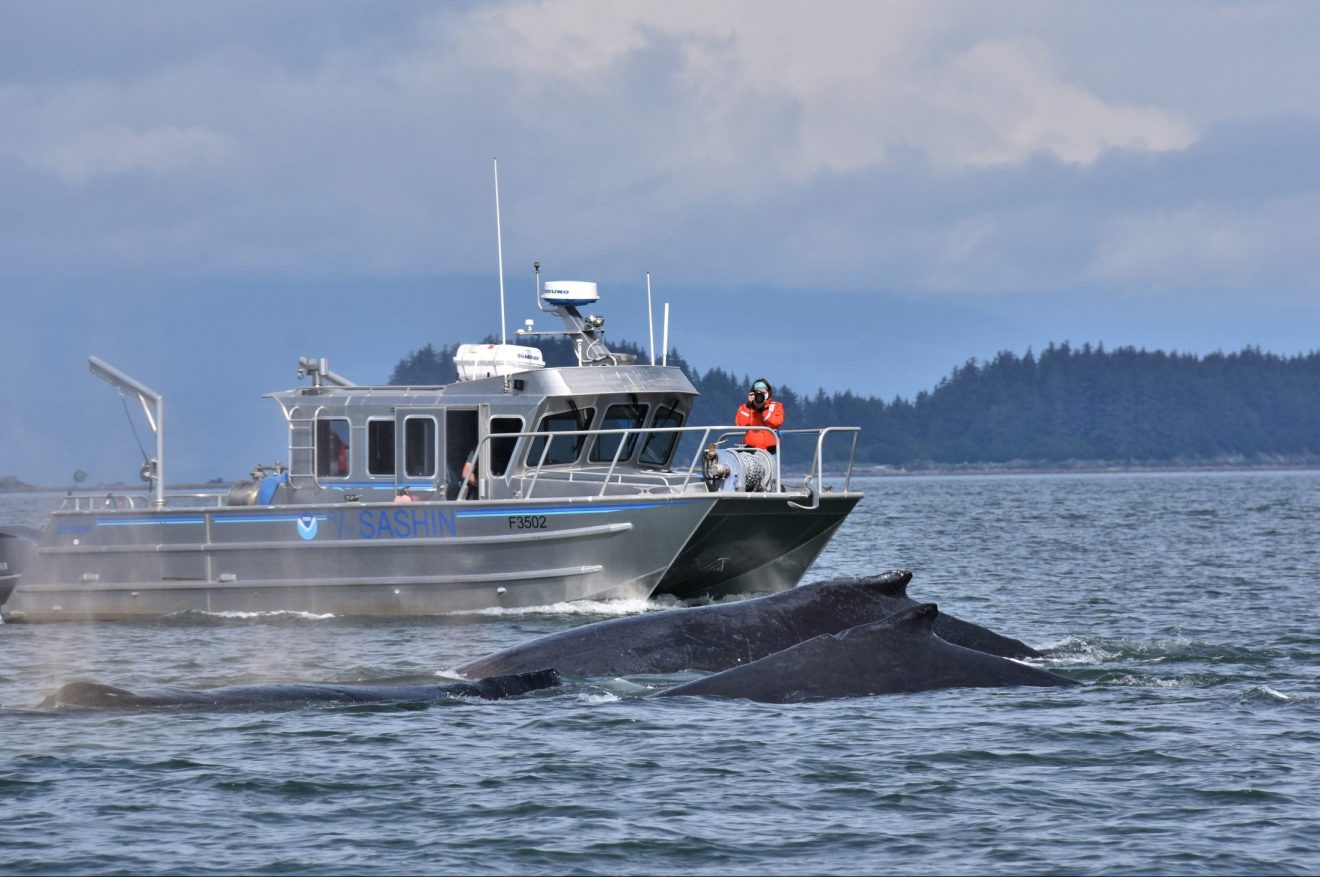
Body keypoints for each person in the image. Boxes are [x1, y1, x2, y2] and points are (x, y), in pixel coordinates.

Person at [735, 377, 784, 454]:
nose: (760, 396)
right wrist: (749, 406)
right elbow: (740, 424)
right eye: (757, 393)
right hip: (750, 449)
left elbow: (776, 422)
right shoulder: (745, 408)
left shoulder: (776, 406)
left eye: (763, 393)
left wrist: (763, 410)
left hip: (770, 450)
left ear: (768, 393)